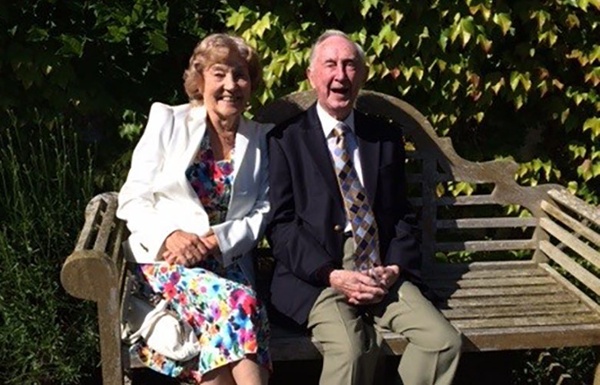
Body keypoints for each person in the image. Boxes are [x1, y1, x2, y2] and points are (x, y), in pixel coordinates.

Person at [266, 30, 462, 385]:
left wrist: (394, 268)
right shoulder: (285, 141)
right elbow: (280, 227)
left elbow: (401, 214)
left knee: (442, 343)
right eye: (330, 65)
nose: (340, 75)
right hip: (319, 277)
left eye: (350, 65)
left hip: (380, 272)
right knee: (354, 350)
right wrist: (332, 275)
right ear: (312, 76)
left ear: (362, 76)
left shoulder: (383, 137)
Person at [117, 33, 271, 385]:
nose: (231, 85)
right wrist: (170, 236)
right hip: (166, 266)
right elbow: (132, 198)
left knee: (235, 304)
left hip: (228, 265)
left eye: (241, 75)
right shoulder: (168, 121)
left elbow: (263, 209)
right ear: (200, 79)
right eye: (220, 73)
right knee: (239, 304)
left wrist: (218, 240)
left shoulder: (262, 138)